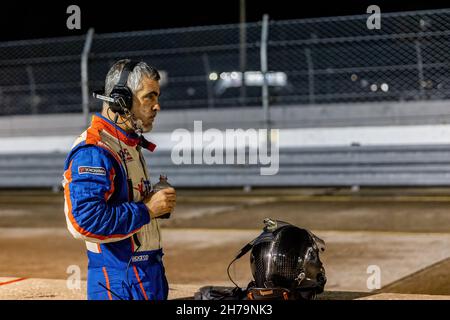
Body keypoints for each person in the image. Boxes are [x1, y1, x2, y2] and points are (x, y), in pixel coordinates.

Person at [62, 59, 176, 300]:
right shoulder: (95, 151)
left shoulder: (127, 143)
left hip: (145, 275)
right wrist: (147, 210)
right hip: (119, 281)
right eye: (149, 97)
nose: (157, 106)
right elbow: (84, 221)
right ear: (121, 100)